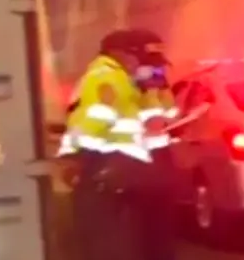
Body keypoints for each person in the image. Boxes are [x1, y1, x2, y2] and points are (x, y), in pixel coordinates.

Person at [57, 29, 177, 260]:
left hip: (129, 170)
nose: (146, 66)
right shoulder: (106, 78)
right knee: (108, 242)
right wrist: (77, 159)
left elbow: (160, 118)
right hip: (102, 168)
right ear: (118, 54)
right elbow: (95, 120)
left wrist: (156, 88)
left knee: (135, 240)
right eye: (141, 59)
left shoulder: (131, 80)